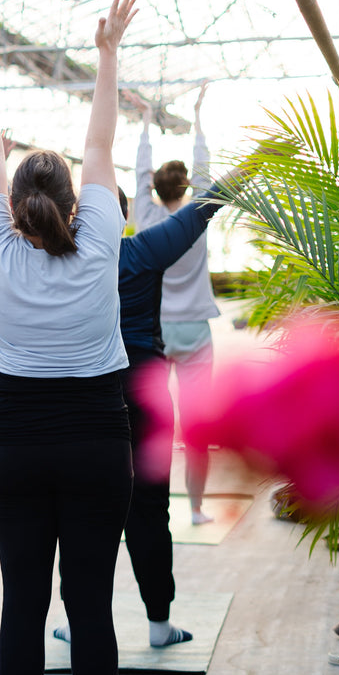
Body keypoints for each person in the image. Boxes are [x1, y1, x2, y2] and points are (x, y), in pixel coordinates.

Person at [0, 0, 137, 675]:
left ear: (12, 206)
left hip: (17, 447)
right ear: (74, 204)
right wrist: (105, 55)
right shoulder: (99, 242)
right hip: (99, 443)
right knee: (90, 606)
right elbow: (101, 144)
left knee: (23, 601)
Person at [54, 181, 231, 650]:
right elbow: (198, 212)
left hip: (87, 397)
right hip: (144, 398)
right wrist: (246, 169)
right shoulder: (141, 251)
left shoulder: (62, 259)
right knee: (150, 509)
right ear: (125, 213)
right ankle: (158, 625)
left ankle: (76, 623)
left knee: (82, 512)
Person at [131, 85, 219, 525]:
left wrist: (147, 121)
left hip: (158, 333)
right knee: (197, 422)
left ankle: (149, 503)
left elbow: (138, 176)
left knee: (152, 423)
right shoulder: (197, 218)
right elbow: (206, 174)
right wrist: (198, 118)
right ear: (186, 187)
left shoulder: (147, 222)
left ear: (155, 190)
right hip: (196, 331)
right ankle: (198, 508)